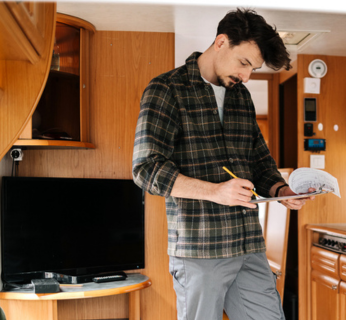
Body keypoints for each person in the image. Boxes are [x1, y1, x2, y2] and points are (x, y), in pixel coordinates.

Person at [132, 8, 314, 320]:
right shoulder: (167, 89)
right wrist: (216, 192)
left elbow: (258, 159)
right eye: (244, 63)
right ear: (220, 42)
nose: (246, 76)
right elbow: (146, 169)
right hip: (200, 249)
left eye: (253, 69)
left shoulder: (241, 97)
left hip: (247, 243)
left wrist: (281, 190)